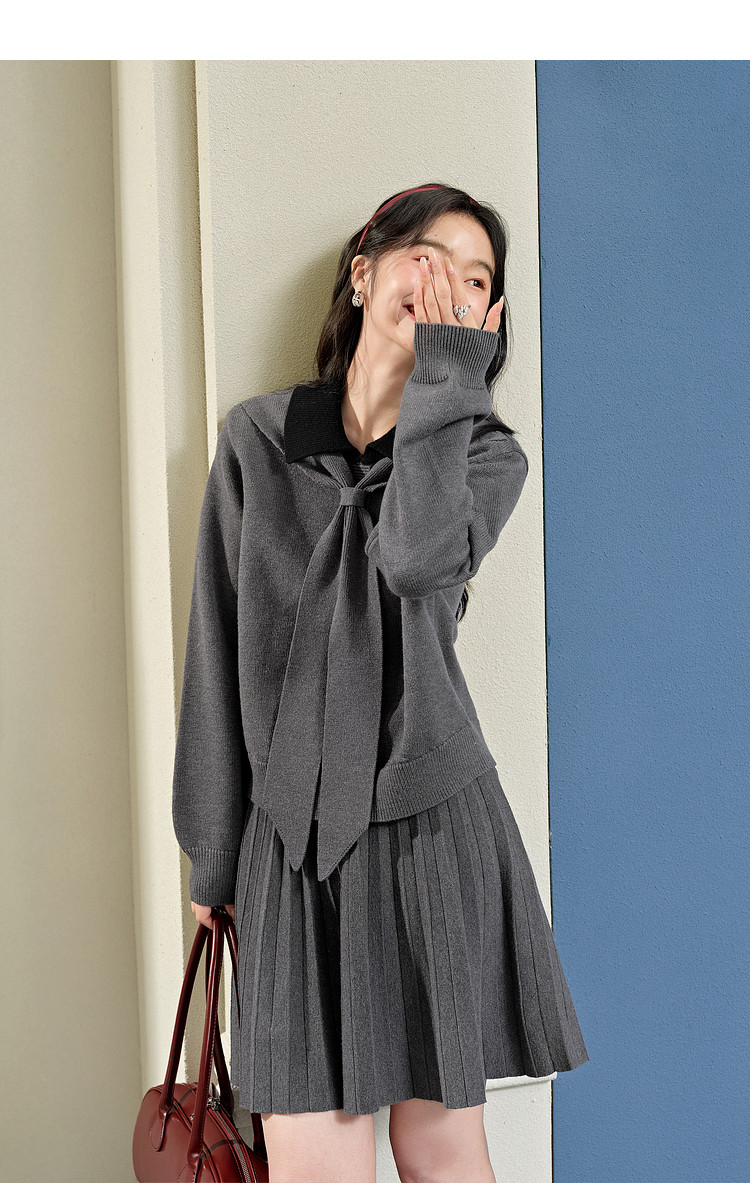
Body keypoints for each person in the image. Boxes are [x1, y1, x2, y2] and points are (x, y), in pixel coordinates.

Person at [174, 183, 589, 1183]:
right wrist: (213, 854)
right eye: (426, 255)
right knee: (311, 1160)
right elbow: (216, 649)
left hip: (430, 825)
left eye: (476, 279)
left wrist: (446, 385)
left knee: (438, 1150)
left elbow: (412, 559)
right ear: (363, 273)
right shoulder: (258, 441)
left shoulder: (487, 457)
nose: (447, 282)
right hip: (290, 842)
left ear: (486, 322)